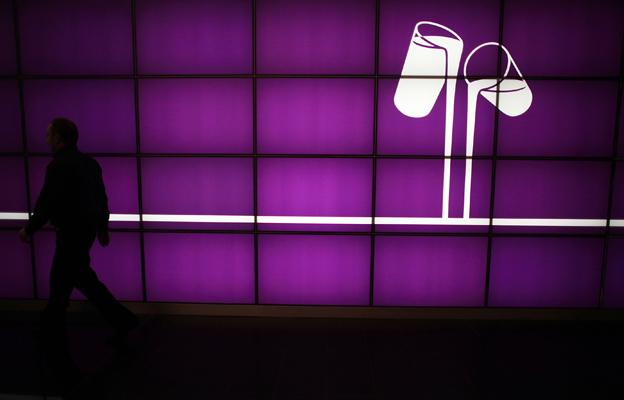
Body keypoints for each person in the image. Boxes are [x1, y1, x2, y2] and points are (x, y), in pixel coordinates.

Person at [18, 117, 138, 392]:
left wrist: (29, 229)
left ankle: (53, 342)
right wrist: (102, 227)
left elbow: (48, 203)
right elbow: (101, 197)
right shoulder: (89, 163)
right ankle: (123, 320)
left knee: (61, 283)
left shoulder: (58, 166)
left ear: (59, 138)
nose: (46, 139)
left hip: (70, 232)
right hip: (84, 232)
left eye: (49, 134)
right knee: (83, 280)